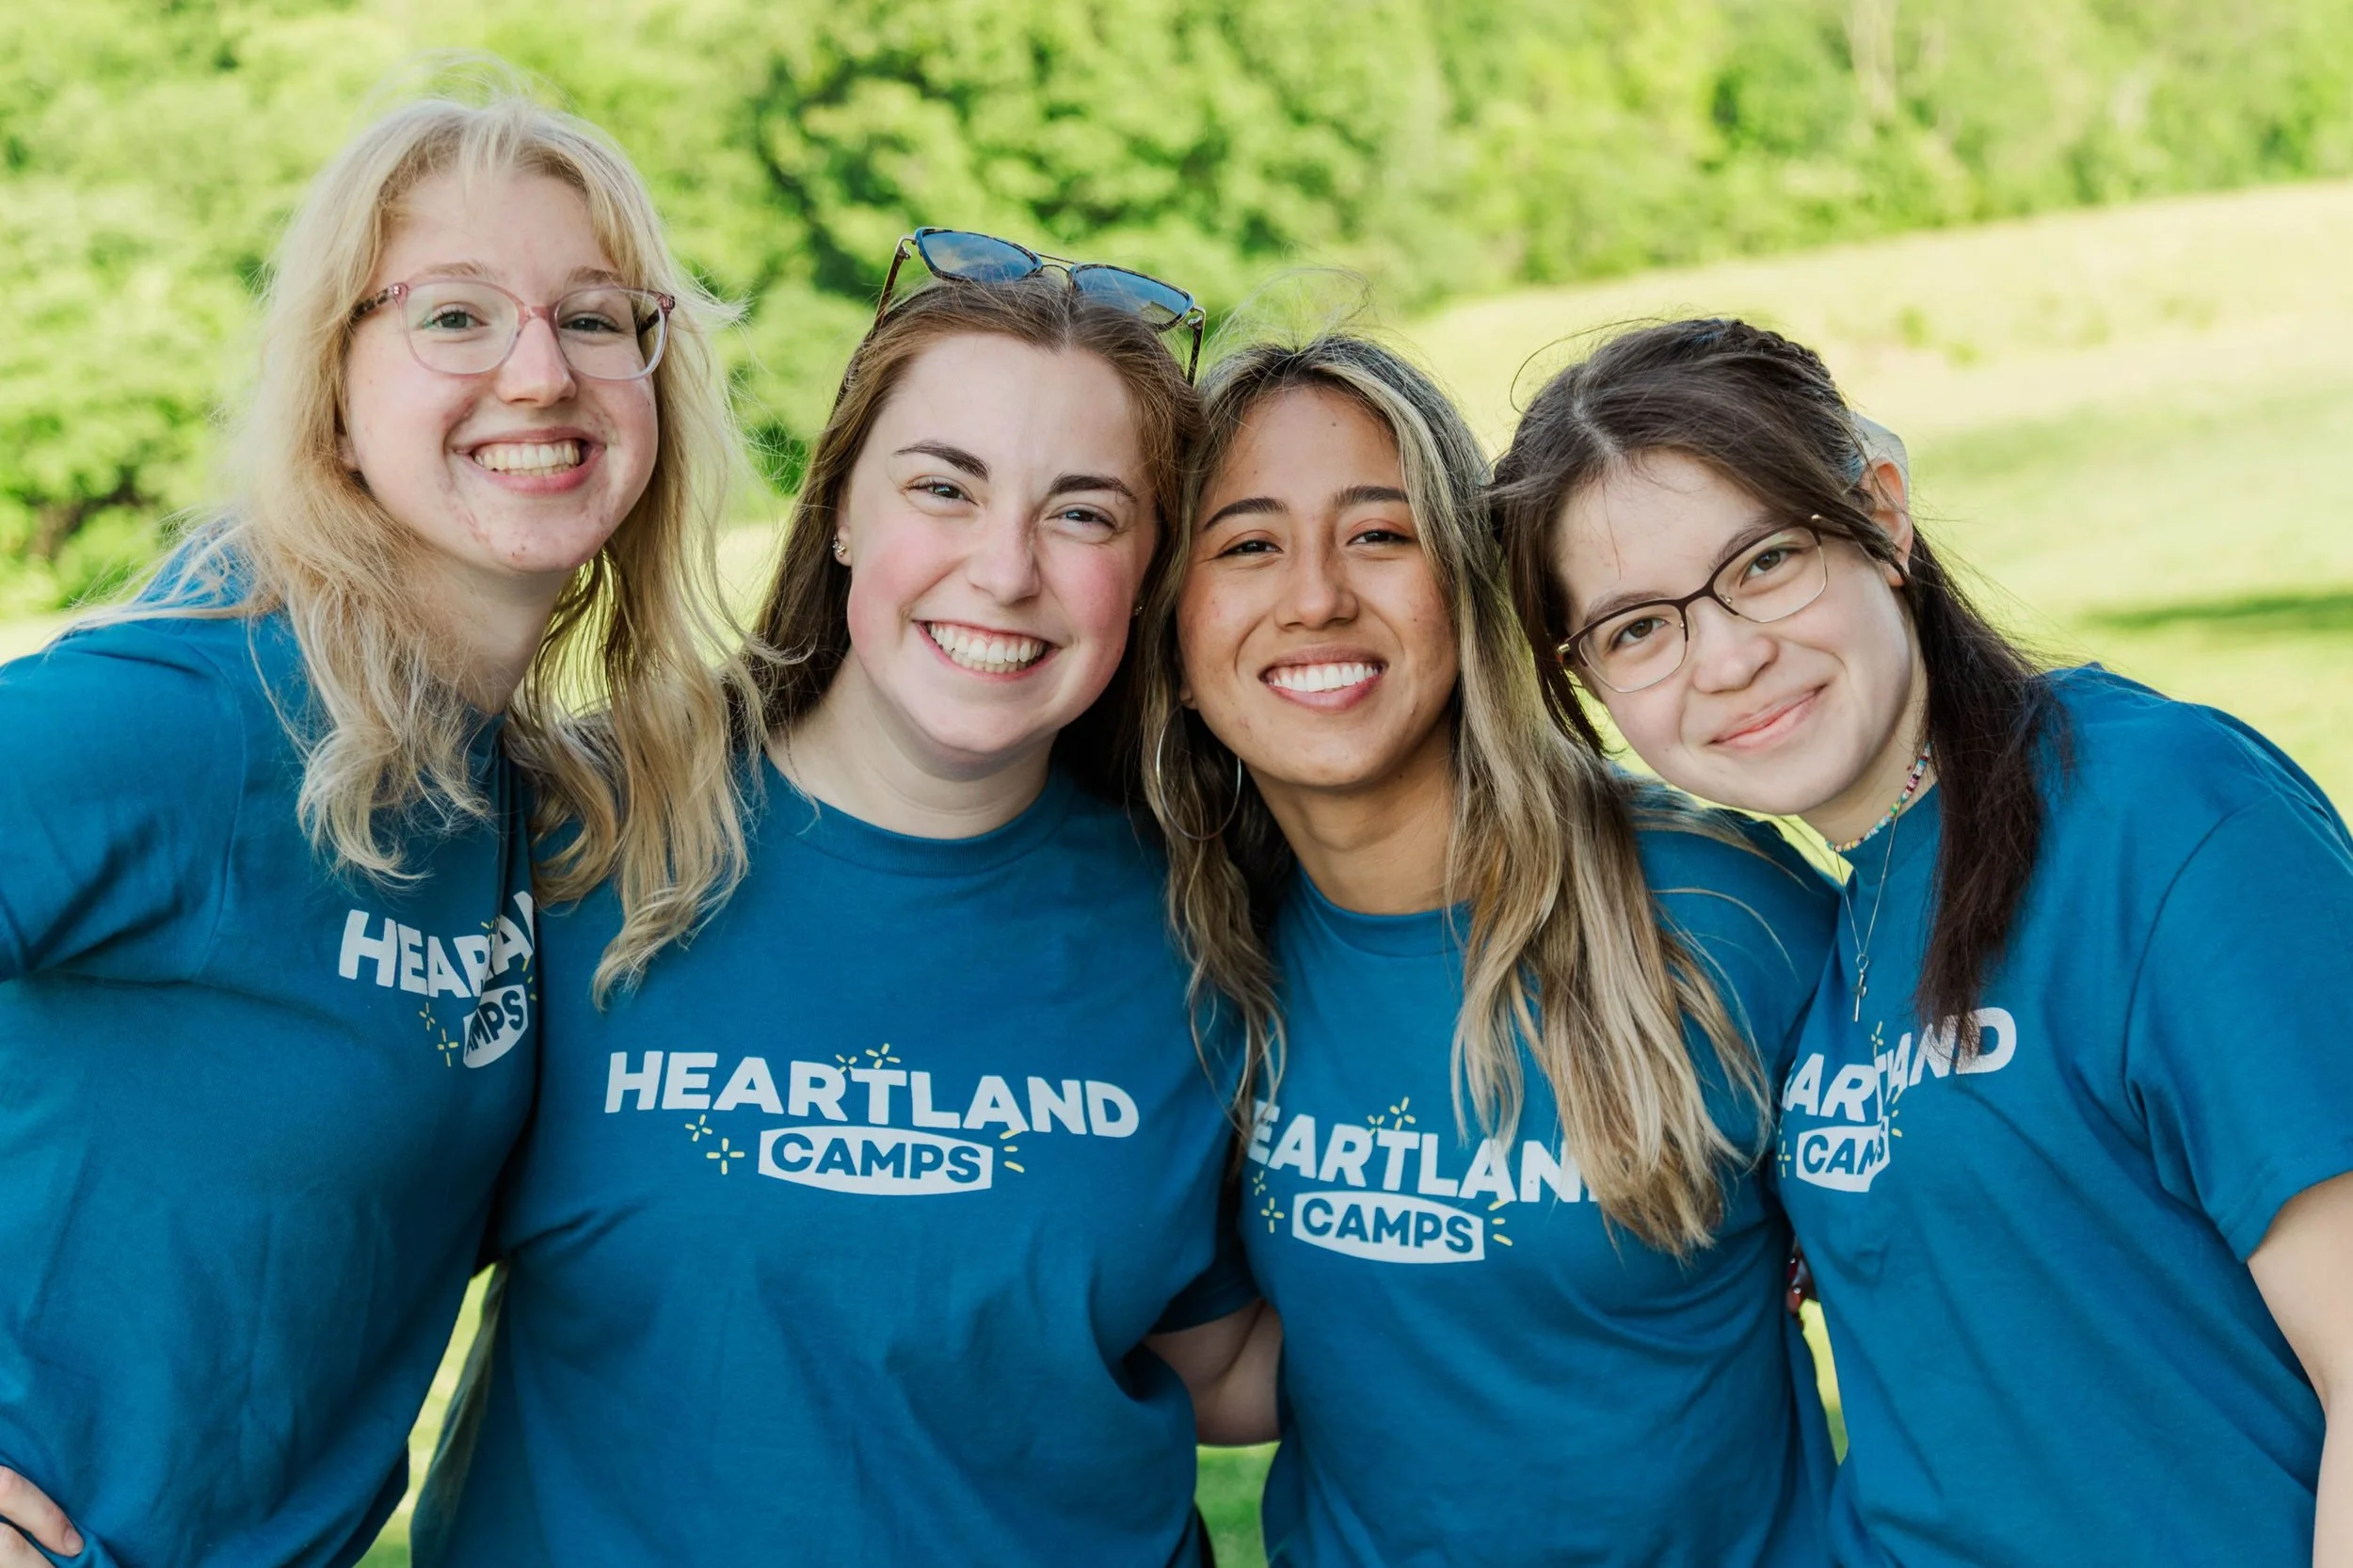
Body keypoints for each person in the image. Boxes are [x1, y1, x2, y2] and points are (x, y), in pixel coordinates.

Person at [412, 248, 1270, 1568]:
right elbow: (270, 1208)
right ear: (844, 511)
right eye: (944, 486)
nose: (1005, 569)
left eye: (1085, 514)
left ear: (1148, 571)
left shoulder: (1206, 918)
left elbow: (1224, 1362)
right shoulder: (570, 837)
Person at [0, 90, 747, 1568]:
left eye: (597, 317)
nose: (541, 372)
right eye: (455, 317)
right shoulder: (187, 719)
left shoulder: (513, 795)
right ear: (333, 385)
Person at [1492, 315, 2353, 1567]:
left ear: (1881, 517)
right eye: (1638, 628)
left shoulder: (2163, 815)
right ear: (1588, 684)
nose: (1725, 657)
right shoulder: (1838, 913)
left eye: (1764, 562)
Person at [1136, 330, 1846, 1565]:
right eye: (1248, 545)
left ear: (1467, 592)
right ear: (1178, 644)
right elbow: (1254, 1363)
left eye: (1381, 533)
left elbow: (1970, 1291)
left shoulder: (1720, 912)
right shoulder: (1197, 952)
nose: (1315, 595)